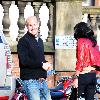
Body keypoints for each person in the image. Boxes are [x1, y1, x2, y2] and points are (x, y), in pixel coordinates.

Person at [17, 16, 52, 100]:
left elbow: (40, 59)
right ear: (26, 26)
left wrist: (46, 63)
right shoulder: (23, 41)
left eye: (34, 24)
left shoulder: (39, 40)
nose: (33, 27)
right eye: (30, 25)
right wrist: (41, 64)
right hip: (30, 81)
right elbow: (24, 61)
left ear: (38, 25)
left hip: (42, 81)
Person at [72, 22, 100, 100]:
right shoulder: (94, 42)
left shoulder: (81, 41)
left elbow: (81, 60)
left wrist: (76, 77)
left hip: (83, 75)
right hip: (93, 76)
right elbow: (98, 59)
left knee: (73, 97)